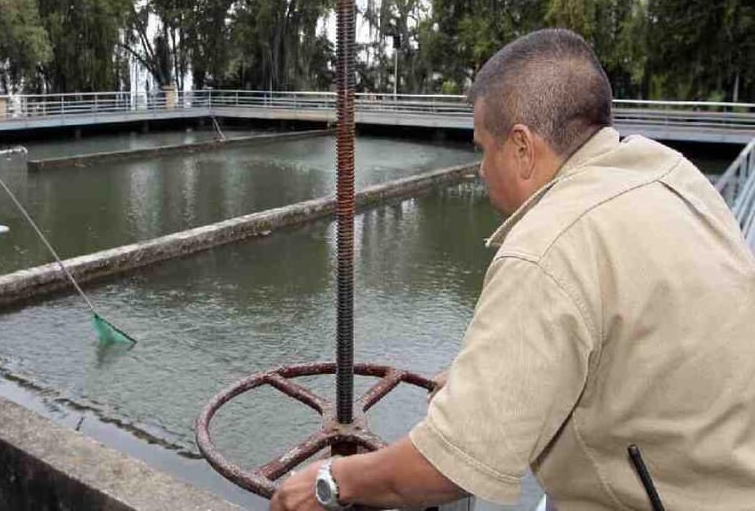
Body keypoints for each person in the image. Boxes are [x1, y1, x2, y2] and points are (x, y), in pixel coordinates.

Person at [271, 28, 755, 510]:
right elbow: (630, 335)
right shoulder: (670, 173)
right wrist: (482, 376)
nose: (481, 169)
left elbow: (447, 466)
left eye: (483, 147)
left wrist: (333, 480)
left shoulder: (548, 246)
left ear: (522, 148)